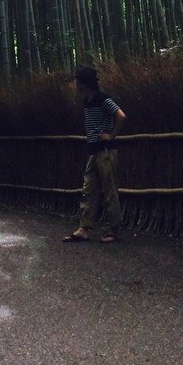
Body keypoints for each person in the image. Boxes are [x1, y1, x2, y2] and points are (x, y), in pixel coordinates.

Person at [63, 65, 126, 244]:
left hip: (105, 150)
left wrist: (111, 135)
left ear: (85, 82)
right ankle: (84, 229)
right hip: (93, 150)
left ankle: (112, 230)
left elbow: (121, 115)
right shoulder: (88, 100)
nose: (75, 84)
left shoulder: (101, 98)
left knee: (109, 190)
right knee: (88, 189)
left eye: (77, 80)